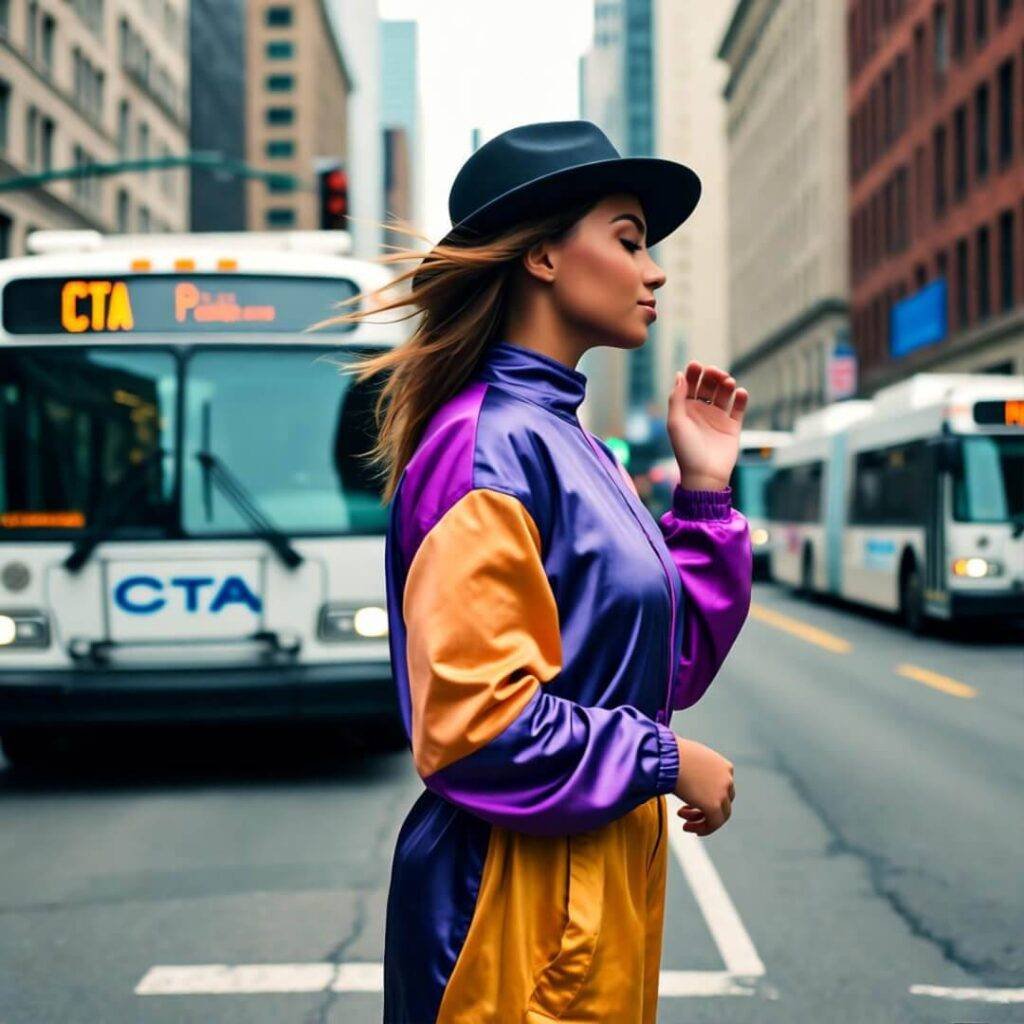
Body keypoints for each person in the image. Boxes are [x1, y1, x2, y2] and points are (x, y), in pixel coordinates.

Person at [313, 120, 753, 1024]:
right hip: (506, 902)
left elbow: (656, 668)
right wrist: (665, 757)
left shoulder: (565, 440)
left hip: (587, 887)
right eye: (629, 241)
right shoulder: (489, 448)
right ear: (544, 258)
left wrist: (704, 495)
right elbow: (476, 730)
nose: (654, 270)